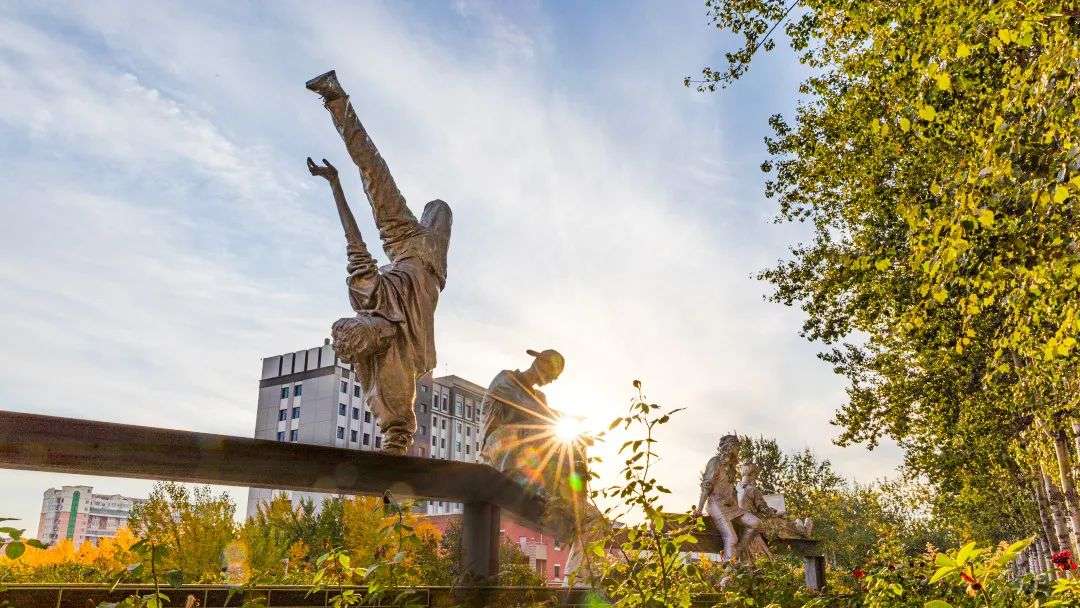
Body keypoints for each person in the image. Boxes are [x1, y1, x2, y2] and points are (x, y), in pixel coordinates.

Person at [306, 70, 452, 455]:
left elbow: (353, 239)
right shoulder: (395, 358)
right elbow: (400, 422)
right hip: (426, 264)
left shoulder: (366, 290)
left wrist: (335, 184)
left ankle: (336, 99)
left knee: (374, 171)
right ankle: (337, 99)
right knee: (397, 185)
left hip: (402, 243)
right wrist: (395, 448)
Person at [694, 434, 761, 561]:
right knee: (731, 538)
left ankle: (737, 553)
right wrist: (699, 508)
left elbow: (732, 491)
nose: (738, 451)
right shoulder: (715, 462)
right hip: (716, 504)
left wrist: (737, 504)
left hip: (732, 507)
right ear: (730, 446)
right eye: (737, 447)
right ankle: (728, 569)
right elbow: (706, 486)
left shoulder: (732, 468)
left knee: (755, 522)